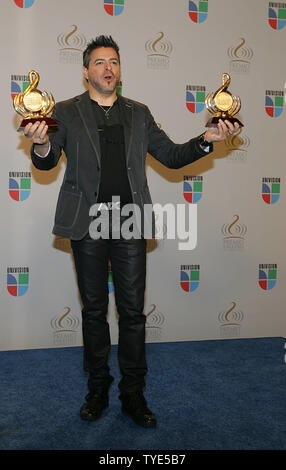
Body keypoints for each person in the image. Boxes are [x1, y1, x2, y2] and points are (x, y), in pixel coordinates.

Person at [22, 35, 239, 427]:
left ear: (120, 70)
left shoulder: (139, 112)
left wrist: (206, 140)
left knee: (133, 313)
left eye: (115, 62)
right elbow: (47, 160)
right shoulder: (66, 112)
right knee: (92, 312)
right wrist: (38, 146)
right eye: (101, 62)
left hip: (130, 222)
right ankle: (98, 389)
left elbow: (172, 157)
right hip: (86, 222)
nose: (109, 68)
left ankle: (133, 394)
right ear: (86, 71)